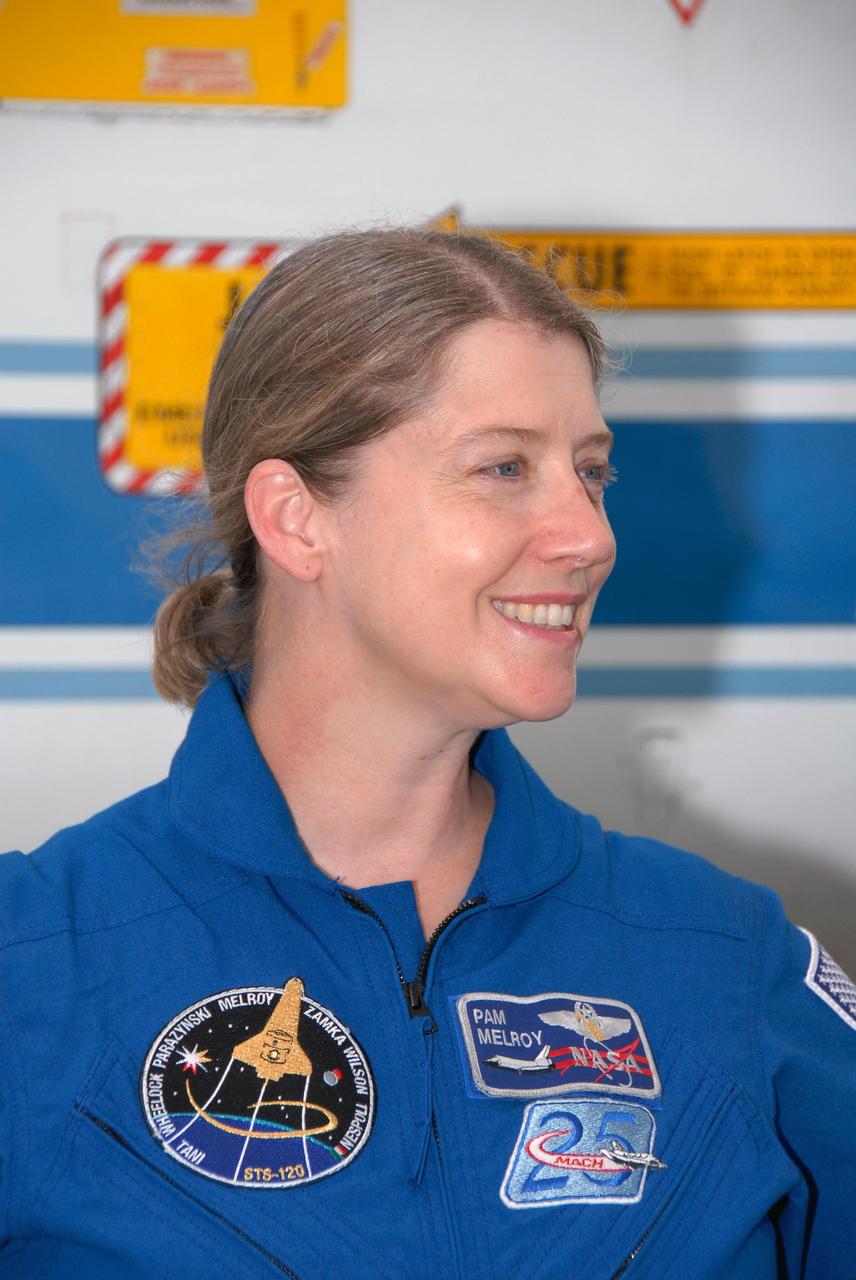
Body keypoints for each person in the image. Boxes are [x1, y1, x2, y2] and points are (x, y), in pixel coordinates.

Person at [1, 228, 854, 1280]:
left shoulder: (722, 954)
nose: (589, 533)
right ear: (296, 516)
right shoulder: (34, 960)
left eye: (590, 472)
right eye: (503, 466)